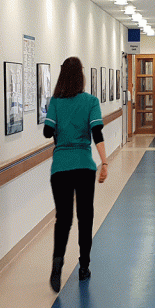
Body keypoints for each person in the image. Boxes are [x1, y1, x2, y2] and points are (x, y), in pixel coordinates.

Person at [43, 57, 108, 293]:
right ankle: (84, 267)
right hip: (83, 165)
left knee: (64, 218)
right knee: (85, 216)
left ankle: (57, 264)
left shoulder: (56, 102)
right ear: (81, 76)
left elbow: (47, 131)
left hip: (60, 167)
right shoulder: (91, 101)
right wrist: (104, 162)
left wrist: (61, 129)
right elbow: (97, 133)